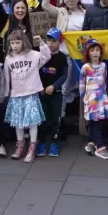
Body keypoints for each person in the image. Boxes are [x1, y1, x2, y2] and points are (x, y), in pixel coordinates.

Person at [4, 30, 51, 163]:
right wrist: (7, 93)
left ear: (23, 42)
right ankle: (20, 145)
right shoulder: (8, 58)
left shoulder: (33, 55)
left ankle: (32, 146)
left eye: (17, 42)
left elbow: (46, 56)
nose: (15, 45)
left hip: (30, 93)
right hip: (16, 94)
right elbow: (7, 77)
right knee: (18, 122)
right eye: (12, 43)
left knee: (32, 122)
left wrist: (41, 43)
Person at [37, 28, 68, 158]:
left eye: (53, 41)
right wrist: (39, 87)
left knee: (56, 118)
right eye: (48, 40)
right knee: (43, 118)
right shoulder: (41, 56)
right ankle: (42, 142)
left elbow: (64, 76)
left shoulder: (62, 57)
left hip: (56, 94)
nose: (50, 43)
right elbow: (35, 73)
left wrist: (54, 86)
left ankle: (54, 142)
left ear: (59, 42)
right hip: (42, 93)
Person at [80, 38, 108, 160]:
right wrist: (84, 97)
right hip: (91, 100)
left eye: (97, 50)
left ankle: (91, 143)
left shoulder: (104, 65)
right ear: (88, 53)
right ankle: (100, 148)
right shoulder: (85, 67)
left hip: (101, 98)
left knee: (97, 122)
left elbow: (104, 80)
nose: (95, 53)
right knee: (96, 123)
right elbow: (82, 83)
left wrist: (104, 97)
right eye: (92, 50)